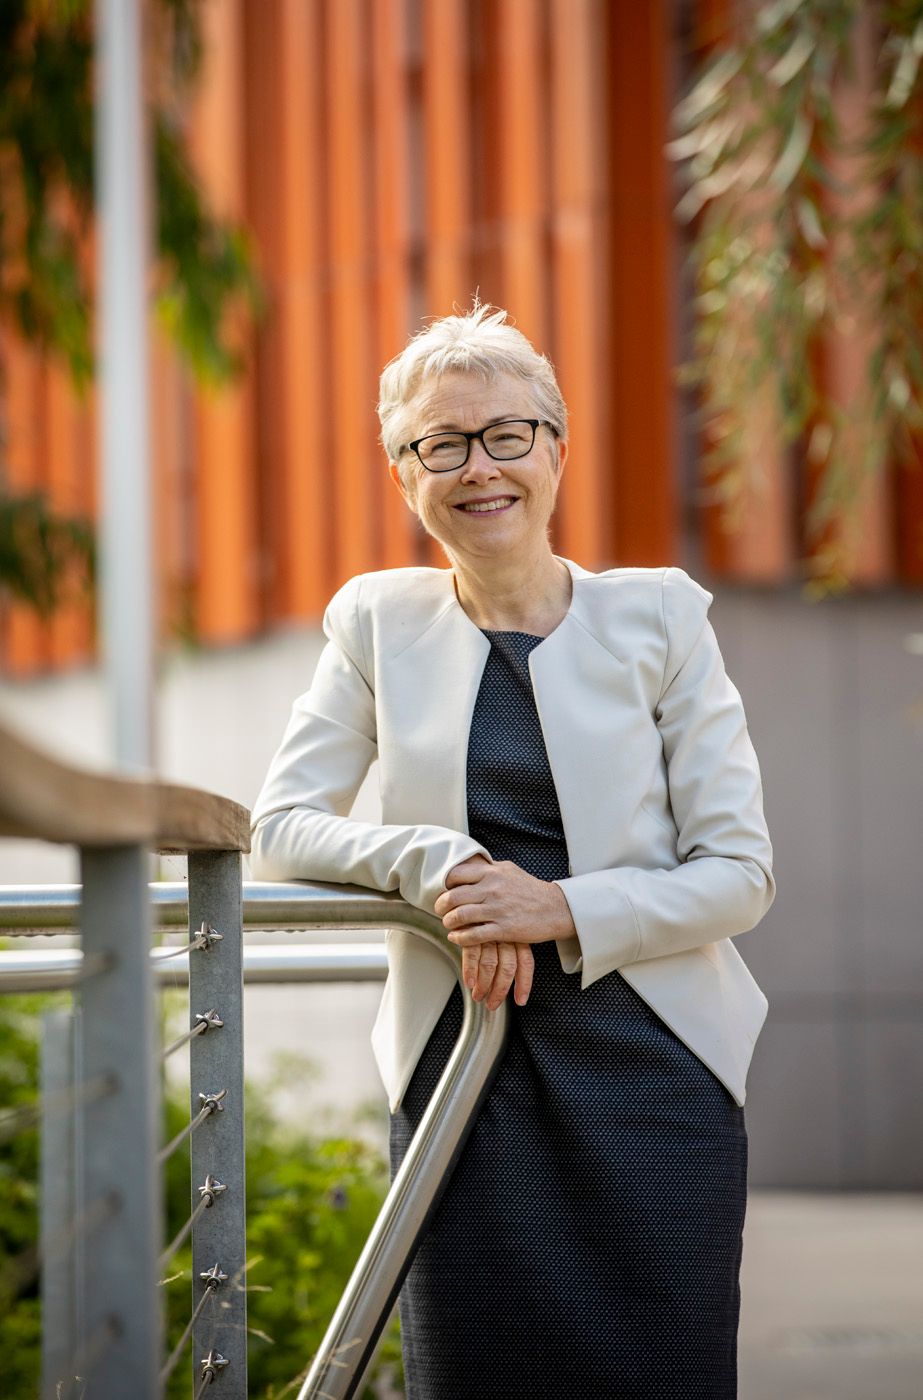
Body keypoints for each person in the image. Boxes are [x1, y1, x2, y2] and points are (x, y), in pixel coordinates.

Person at [249, 301, 776, 1399]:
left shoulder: (661, 616)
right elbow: (281, 825)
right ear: (403, 475)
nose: (476, 466)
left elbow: (738, 872)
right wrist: (440, 863)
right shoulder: (374, 622)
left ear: (555, 450)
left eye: (505, 433)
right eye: (438, 443)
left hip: (652, 1066)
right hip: (461, 1073)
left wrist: (559, 908)